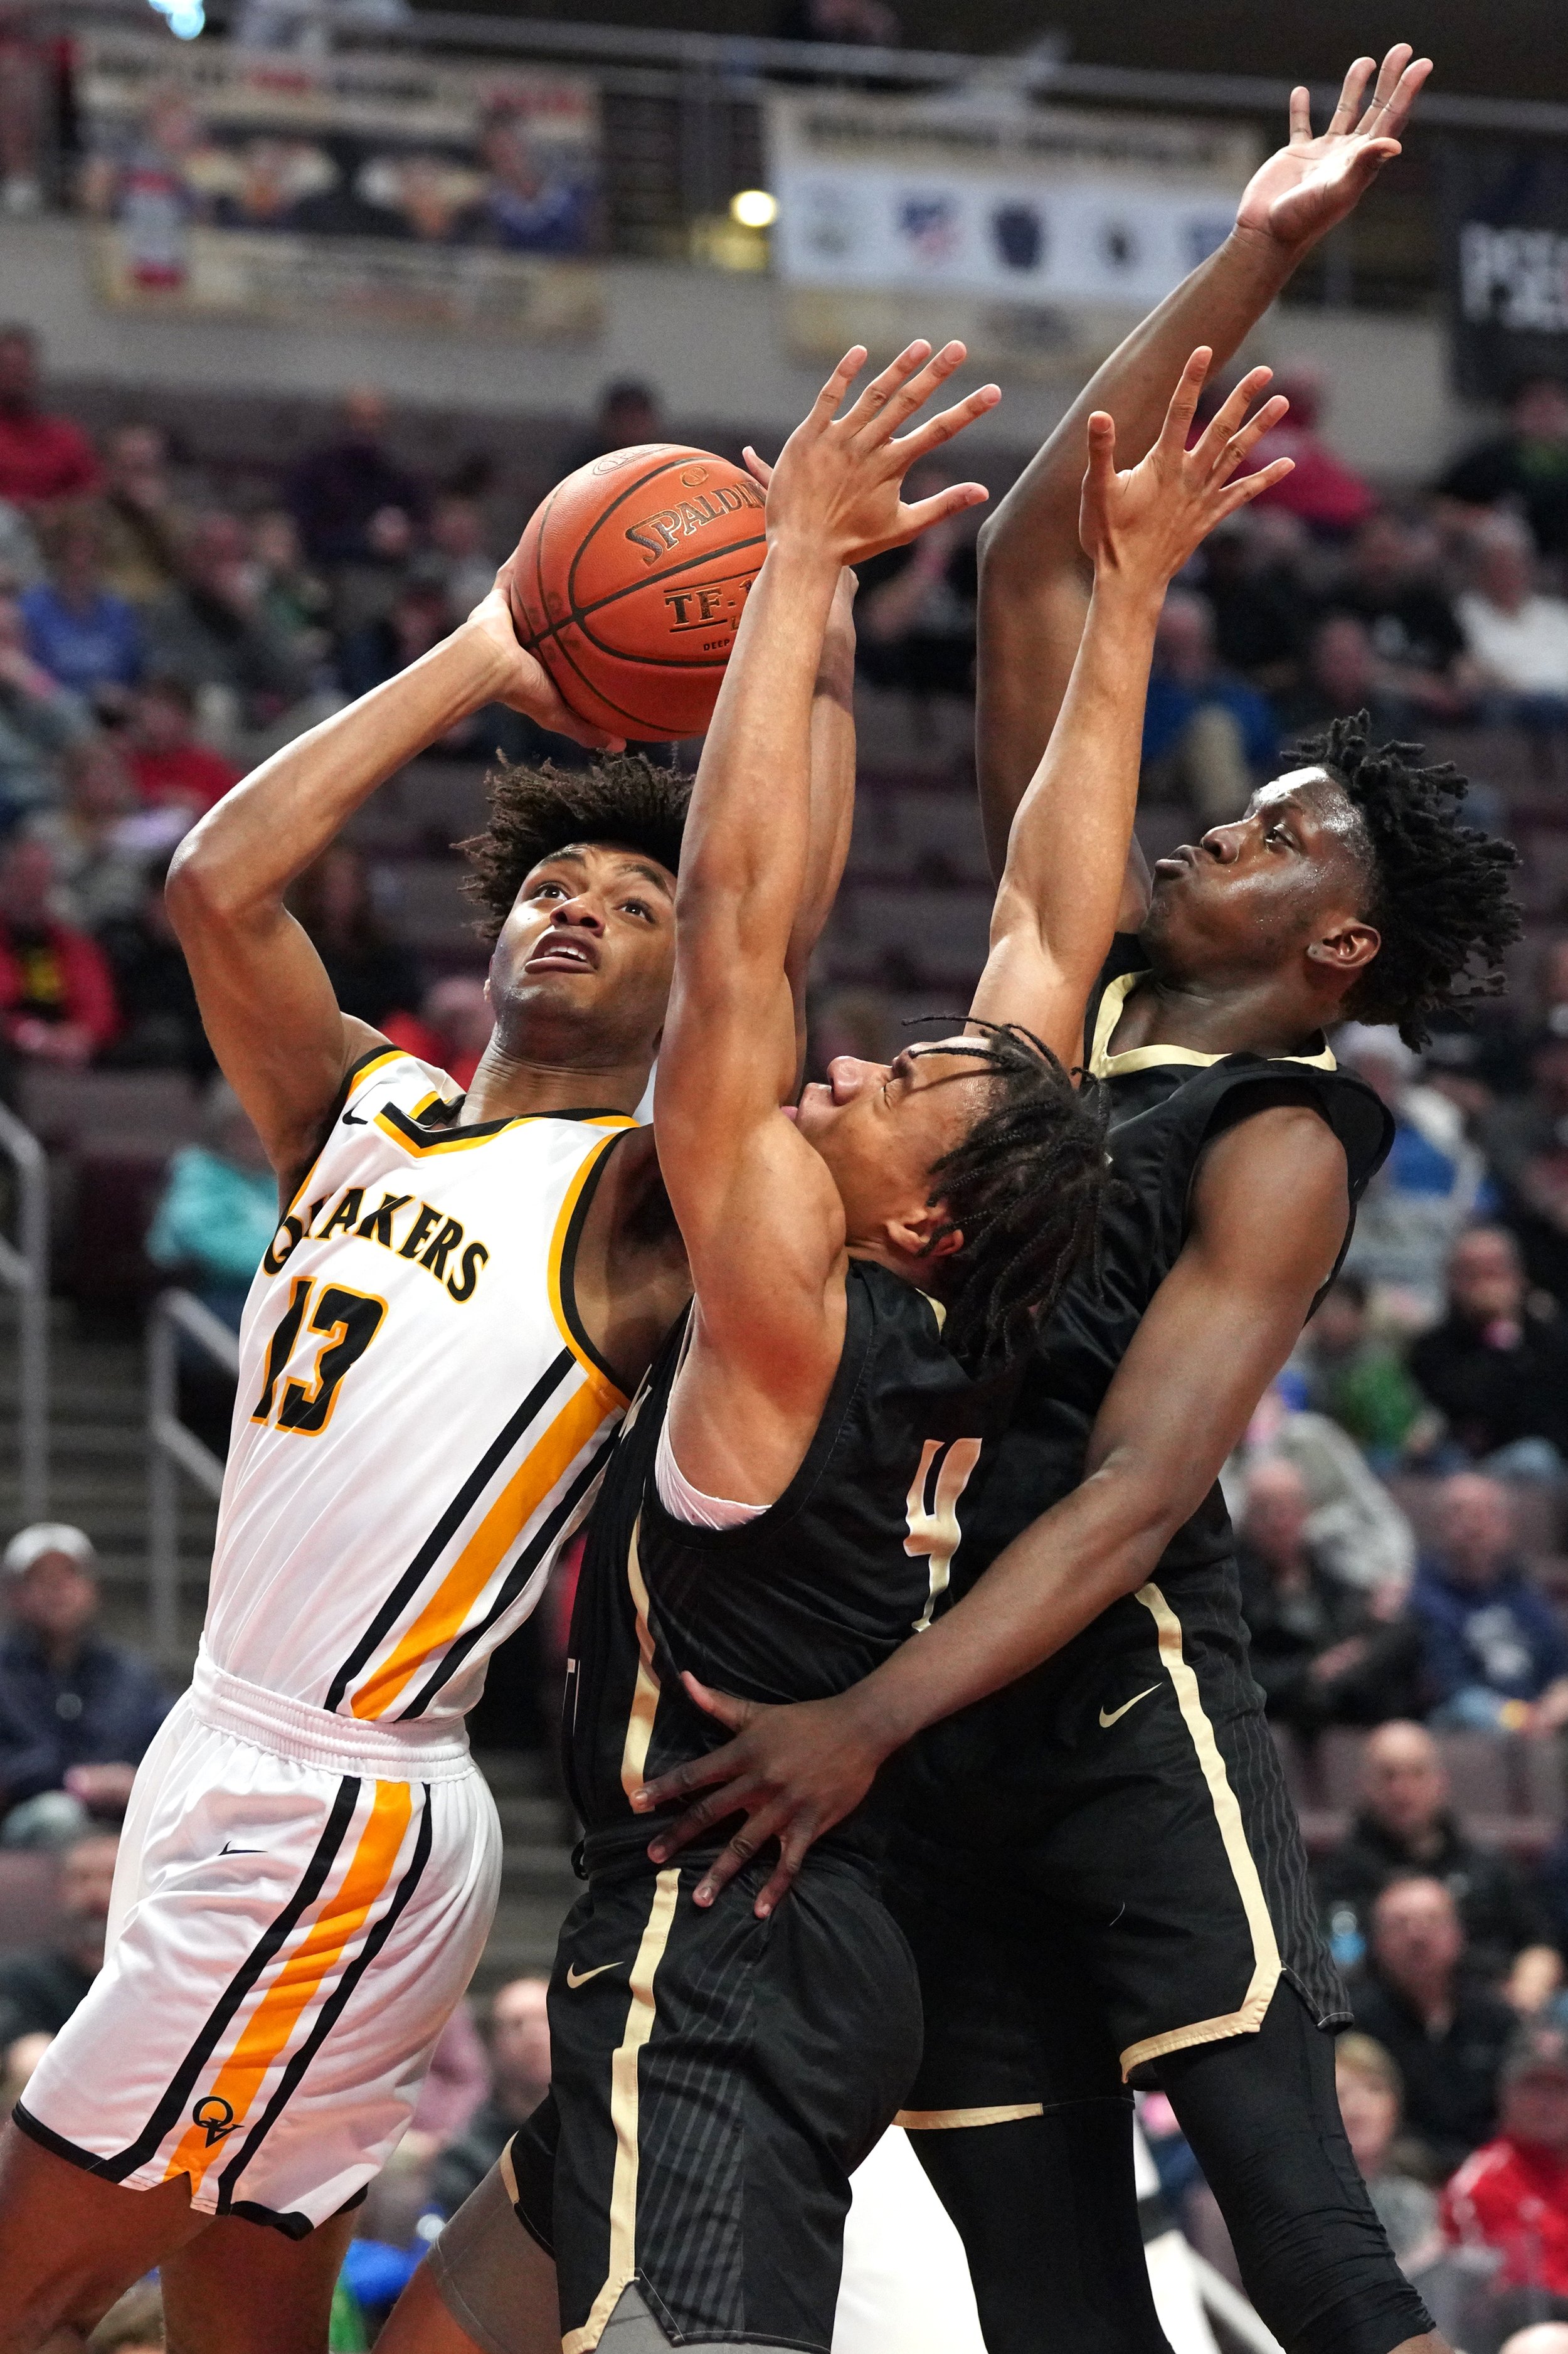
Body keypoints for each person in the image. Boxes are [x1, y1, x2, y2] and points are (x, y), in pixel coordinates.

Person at [632, 52, 1514, 2354]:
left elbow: (1131, 1500)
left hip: (1106, 1691)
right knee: (1049, 2297)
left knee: (1311, 2252)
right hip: (923, 1701)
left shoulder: (1284, 1137)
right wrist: (1259, 252)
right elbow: (1046, 550)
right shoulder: (1060, 1001)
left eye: (1282, 834)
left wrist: (867, 1717)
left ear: (1334, 951)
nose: (1220, 825)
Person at [384, 339, 1288, 2354]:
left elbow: (733, 934)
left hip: (714, 1951)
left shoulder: (787, 1317)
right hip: (848, 1918)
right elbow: (1050, 935)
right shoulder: (976, 1276)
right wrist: (1120, 600)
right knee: (447, 2335)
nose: (862, 1062)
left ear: (909, 1220)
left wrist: (796, 565)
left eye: (896, 1089)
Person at [0, 356, 854, 2348]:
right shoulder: (361, 1105)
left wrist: (800, 611)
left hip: (344, 1793)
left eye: (626, 904)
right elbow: (217, 882)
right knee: (237, 2303)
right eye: (552, 884)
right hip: (228, 1754)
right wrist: (483, 649)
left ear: (670, 982)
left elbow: (764, 913)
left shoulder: (639, 1194)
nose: (574, 909)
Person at [1317, 1724, 1557, 1996]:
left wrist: (1527, 1990)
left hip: (1491, 2012)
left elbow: (1540, 1944)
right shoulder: (1338, 1875)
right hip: (1377, 2021)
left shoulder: (1486, 1864)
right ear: (1365, 1785)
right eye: (1388, 1776)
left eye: (1416, 1773)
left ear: (1440, 1781)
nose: (1402, 1790)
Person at [0, 1527, 169, 1840]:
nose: (57, 1590)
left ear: (93, 1589)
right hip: (25, 1823)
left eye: (69, 1576)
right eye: (42, 1580)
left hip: (125, 1816)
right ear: (15, 1594)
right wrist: (72, 1780)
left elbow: (168, 1742)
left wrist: (134, 1780)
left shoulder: (130, 1674)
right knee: (58, 1817)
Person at [1234, 1458, 1422, 1731]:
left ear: (1306, 1512)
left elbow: (1350, 1614)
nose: (1278, 1522)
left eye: (1287, 1509)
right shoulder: (1233, 1586)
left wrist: (1373, 1611)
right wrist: (1313, 1670)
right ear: (1248, 1520)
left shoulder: (1322, 1568)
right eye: (1266, 1512)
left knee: (1401, 1629)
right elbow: (1243, 1672)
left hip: (1342, 1678)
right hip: (1290, 1695)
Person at [1352, 1877, 1517, 2179]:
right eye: (1400, 1924)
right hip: (1389, 2176)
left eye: (1432, 1921)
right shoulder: (1351, 2021)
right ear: (1376, 1941)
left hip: (1488, 2174)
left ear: (1458, 1935)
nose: (1417, 1936)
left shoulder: (1496, 2017)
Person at [1409, 1475, 1568, 1734]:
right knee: (1468, 1709)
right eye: (1460, 1513)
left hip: (1537, 1715)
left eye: (1486, 1513)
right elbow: (1450, 1685)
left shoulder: (1522, 1590)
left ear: (1507, 1526)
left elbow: (1558, 1664)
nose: (1474, 1525)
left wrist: (1558, 1701)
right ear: (1439, 1525)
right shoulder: (1423, 1591)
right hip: (1463, 1718)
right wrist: (1524, 1718)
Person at [1410, 1228, 1568, 1471]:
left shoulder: (1551, 1336)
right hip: (1462, 1468)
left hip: (1541, 1476)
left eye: (1495, 1272)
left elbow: (1546, 1412)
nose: (1486, 1285)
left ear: (1520, 1277)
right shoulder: (1432, 1348)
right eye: (1472, 1274)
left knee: (1534, 1458)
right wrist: (1498, 1339)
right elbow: (1463, 1404)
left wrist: (1506, 1332)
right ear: (1452, 1281)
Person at [1443, 2025, 1568, 2299]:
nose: (1547, 2103)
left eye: (1561, 2087)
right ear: (1504, 2093)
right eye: (1533, 2086)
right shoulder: (1478, 2186)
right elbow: (1492, 2304)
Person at [144, 1081, 280, 1331]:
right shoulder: (199, 1171)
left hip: (280, 1293)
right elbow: (201, 1238)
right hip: (210, 1298)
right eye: (243, 1131)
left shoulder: (283, 1175)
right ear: (221, 1131)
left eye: (261, 1130)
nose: (254, 1141)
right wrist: (290, 1266)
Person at [1138, 585, 1277, 820]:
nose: (1181, 651)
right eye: (1171, 644)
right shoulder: (1148, 692)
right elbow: (1144, 749)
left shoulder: (1233, 688)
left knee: (1215, 727)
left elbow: (1264, 741)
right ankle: (1235, 825)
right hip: (1167, 774)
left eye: (1188, 641)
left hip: (1237, 768)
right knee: (1210, 728)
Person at [426, 1980, 551, 2222]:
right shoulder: (465, 2157)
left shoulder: (597, 2136)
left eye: (545, 2021)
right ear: (492, 2042)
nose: (534, 2036)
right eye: (517, 2024)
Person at [0, 834, 119, 1069]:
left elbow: (99, 1005)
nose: (34, 887)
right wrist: (32, 1036)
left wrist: (82, 1035)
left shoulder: (72, 943)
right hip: (12, 1041)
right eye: (25, 876)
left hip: (68, 1037)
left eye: (42, 877)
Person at [0, 1828, 119, 2059]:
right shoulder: (21, 1978)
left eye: (113, 1877)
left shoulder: (166, 1979)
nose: (95, 1891)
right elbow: (24, 2054)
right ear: (61, 1889)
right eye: (81, 1878)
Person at [1335, 2034, 1442, 2271]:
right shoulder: (1295, 2198)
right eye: (1340, 2094)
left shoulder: (1418, 2192)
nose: (1358, 2107)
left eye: (1374, 2089)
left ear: (1395, 2105)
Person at [1456, 517, 1568, 740]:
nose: (1508, 572)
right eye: (1498, 564)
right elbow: (1469, 671)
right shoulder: (1465, 614)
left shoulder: (1557, 613)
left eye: (1515, 563)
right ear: (1480, 569)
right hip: (1515, 706)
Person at [19, 509, 142, 710]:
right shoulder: (30, 611)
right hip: (57, 716)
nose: (80, 562)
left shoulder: (118, 611)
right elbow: (30, 679)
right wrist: (87, 697)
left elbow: (137, 674)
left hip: (118, 716)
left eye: (89, 554)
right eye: (71, 554)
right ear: (56, 557)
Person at [286, 389, 423, 569]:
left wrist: (403, 540)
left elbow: (421, 524)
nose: (366, 427)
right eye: (358, 418)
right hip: (324, 570)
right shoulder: (313, 471)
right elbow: (305, 530)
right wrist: (367, 545)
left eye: (375, 419)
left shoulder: (399, 476)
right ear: (342, 421)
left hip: (386, 574)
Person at [1439, 378, 1568, 561]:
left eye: (1555, 405)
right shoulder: (1491, 459)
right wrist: (1480, 520)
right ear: (1516, 412)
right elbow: (1441, 505)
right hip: (1509, 559)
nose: (1547, 414)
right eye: (1538, 405)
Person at [0, 329, 98, 511]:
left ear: (35, 374)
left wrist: (50, 511)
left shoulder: (65, 436)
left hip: (53, 527)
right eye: (6, 366)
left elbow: (93, 494)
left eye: (21, 367)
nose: (14, 375)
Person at [124, 677, 241, 817]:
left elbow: (237, 807)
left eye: (164, 712)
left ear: (185, 717)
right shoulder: (125, 763)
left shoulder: (208, 764)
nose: (155, 720)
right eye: (148, 711)